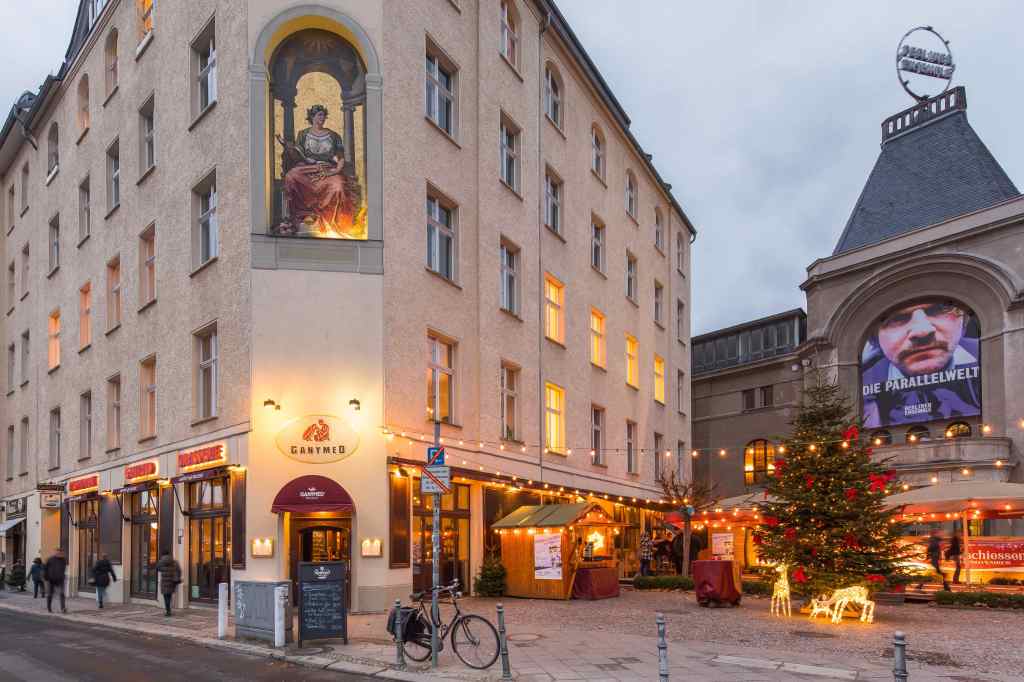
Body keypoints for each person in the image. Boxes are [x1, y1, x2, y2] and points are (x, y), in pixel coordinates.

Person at [862, 301, 981, 428]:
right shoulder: (863, 385)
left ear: (963, 321)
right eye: (896, 318)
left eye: (938, 310)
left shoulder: (989, 355)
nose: (923, 331)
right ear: (874, 338)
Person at [275, 104, 359, 237]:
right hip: (306, 168)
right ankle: (301, 216)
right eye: (319, 115)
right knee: (291, 176)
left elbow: (341, 158)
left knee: (338, 186)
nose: (322, 118)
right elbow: (298, 154)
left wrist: (334, 171)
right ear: (312, 117)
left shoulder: (333, 135)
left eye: (324, 115)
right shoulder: (303, 134)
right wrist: (287, 146)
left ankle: (332, 223)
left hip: (327, 168)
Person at [156, 552, 181, 617]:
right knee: (169, 596)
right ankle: (169, 609)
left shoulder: (161, 562)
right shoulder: (174, 562)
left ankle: (168, 611)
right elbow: (179, 570)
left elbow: (157, 568)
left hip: (164, 582)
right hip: (171, 582)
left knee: (166, 597)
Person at [44, 548, 68, 613]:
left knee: (62, 593)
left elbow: (64, 569)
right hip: (50, 579)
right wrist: (46, 578)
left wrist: (63, 576)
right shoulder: (49, 559)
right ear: (55, 553)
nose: (59, 554)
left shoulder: (64, 560)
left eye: (60, 553)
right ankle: (49, 608)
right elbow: (45, 569)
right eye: (58, 552)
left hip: (60, 580)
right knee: (50, 594)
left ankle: (63, 608)